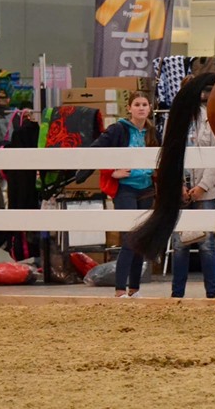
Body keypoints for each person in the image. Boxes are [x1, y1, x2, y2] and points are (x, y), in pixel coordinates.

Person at [79, 91, 159, 298]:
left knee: (141, 239)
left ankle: (134, 289)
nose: (141, 108)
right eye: (137, 104)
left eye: (144, 104)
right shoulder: (118, 129)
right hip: (125, 189)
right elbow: (99, 149)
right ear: (130, 108)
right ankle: (120, 289)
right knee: (129, 238)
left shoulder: (153, 132)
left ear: (149, 108)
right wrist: (112, 172)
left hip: (147, 188)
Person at [170, 76, 215, 299]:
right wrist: (178, 184)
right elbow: (169, 152)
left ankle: (214, 292)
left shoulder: (212, 117)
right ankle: (177, 294)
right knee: (180, 243)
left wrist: (202, 186)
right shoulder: (176, 118)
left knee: (206, 243)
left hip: (205, 188)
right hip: (180, 186)